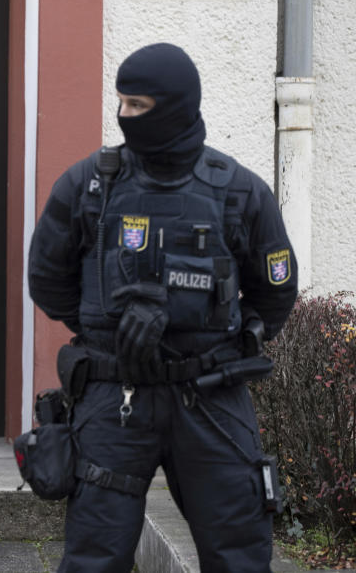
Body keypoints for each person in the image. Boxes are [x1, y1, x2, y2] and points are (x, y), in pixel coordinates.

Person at [27, 43, 298, 572]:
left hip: (211, 398)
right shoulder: (89, 185)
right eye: (121, 103)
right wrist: (106, 332)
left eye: (139, 105)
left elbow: (275, 291)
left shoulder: (239, 190)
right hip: (115, 396)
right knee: (94, 556)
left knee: (239, 550)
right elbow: (47, 277)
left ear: (175, 105)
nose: (125, 116)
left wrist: (224, 341)